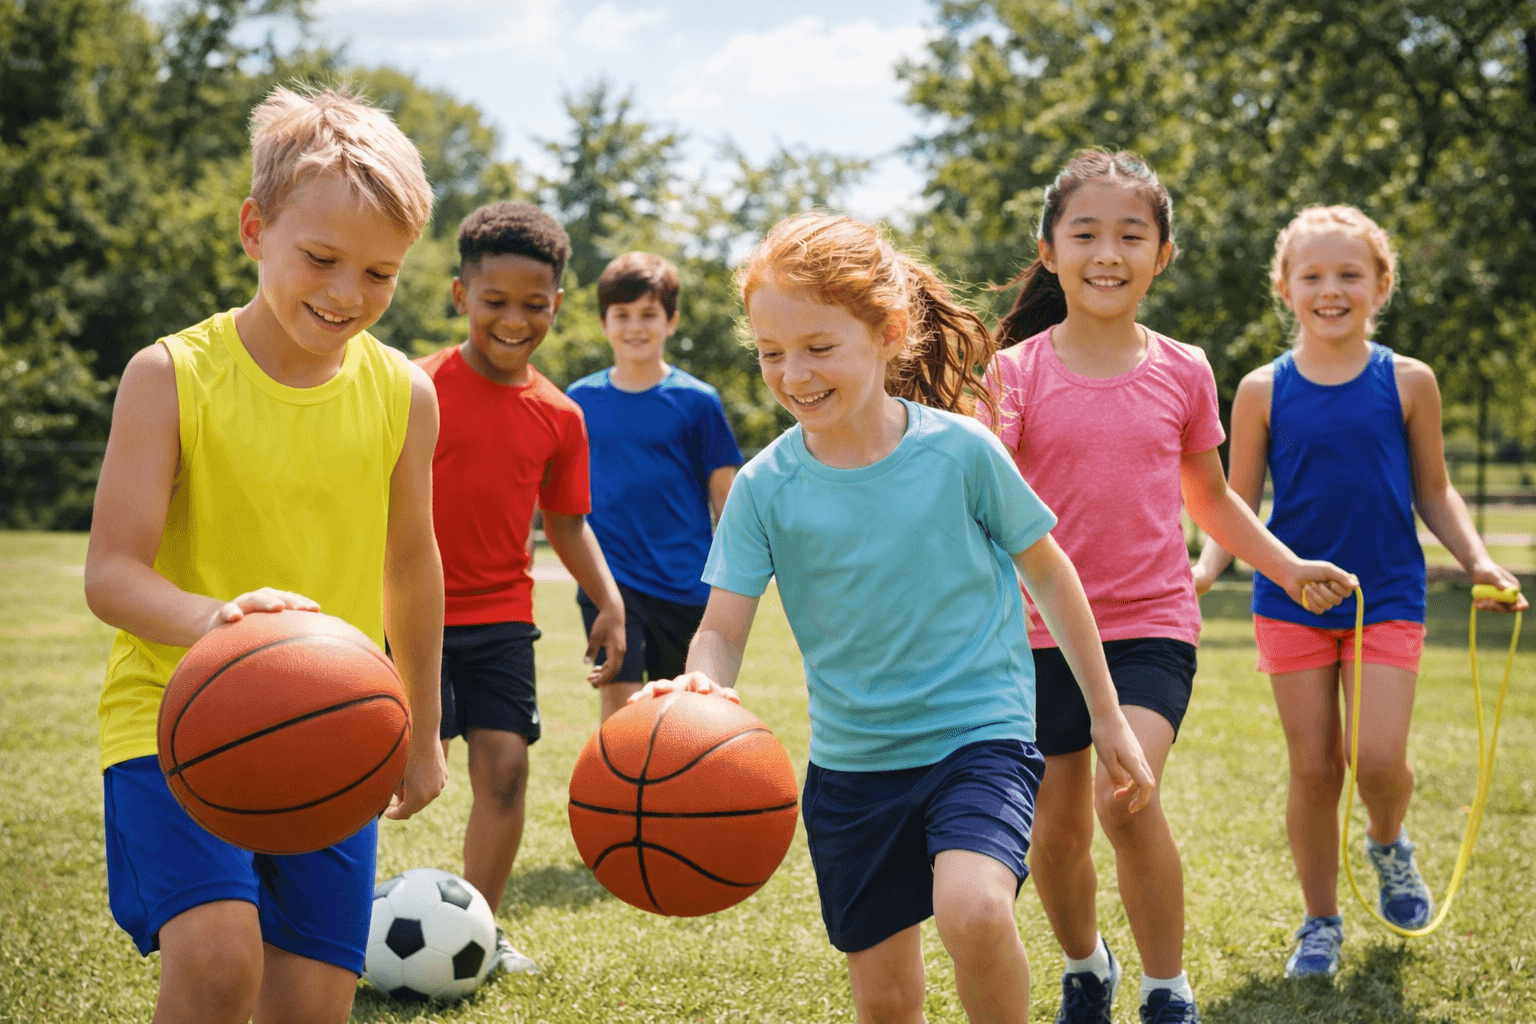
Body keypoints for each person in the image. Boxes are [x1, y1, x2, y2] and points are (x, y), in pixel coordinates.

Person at [632, 212, 1157, 1024]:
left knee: (974, 910)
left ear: (889, 332)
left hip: (978, 737)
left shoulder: (962, 454)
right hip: (852, 770)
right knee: (883, 1000)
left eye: (818, 347)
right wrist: (699, 687)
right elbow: (724, 628)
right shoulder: (766, 487)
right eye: (772, 353)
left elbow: (1052, 579)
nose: (793, 373)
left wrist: (1107, 715)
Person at [83, 86, 447, 1024]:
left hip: (338, 734)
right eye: (321, 259)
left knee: (313, 1004)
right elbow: (111, 573)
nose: (345, 294)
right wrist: (217, 622)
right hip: (178, 721)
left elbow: (411, 564)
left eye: (380, 274)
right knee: (215, 963)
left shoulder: (404, 392)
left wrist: (419, 719)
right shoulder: (170, 376)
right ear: (255, 229)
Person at [982, 151, 1356, 1024]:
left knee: (1128, 792)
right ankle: (1086, 964)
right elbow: (987, 499)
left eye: (1130, 234)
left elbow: (1212, 499)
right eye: (1085, 233)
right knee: (1055, 833)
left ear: (1163, 255)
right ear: (1048, 250)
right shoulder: (1015, 375)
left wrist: (1288, 566)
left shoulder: (1184, 369)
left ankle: (1166, 988)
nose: (1107, 251)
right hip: (1034, 635)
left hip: (1151, 625)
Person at [1192, 204, 1527, 978]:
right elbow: (1230, 503)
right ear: (1285, 286)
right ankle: (1319, 922)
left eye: (1349, 275)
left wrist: (1477, 560)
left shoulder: (1409, 382)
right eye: (1313, 275)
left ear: (1381, 285)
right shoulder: (1258, 391)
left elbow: (1436, 491)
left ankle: (1388, 841)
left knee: (1376, 759)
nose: (1330, 289)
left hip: (1390, 597)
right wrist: (1208, 568)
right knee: (1314, 770)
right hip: (1290, 603)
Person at [416, 200, 627, 974]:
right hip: (411, 615)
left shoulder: (560, 416)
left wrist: (608, 600)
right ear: (460, 295)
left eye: (533, 306)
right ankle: (328, 921)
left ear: (558, 306)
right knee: (381, 774)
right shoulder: (413, 389)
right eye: (494, 302)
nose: (514, 320)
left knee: (504, 772)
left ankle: (477, 931)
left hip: (503, 620)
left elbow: (568, 525)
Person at [566, 252, 743, 721]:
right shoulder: (579, 401)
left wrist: (733, 582)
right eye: (622, 315)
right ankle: (616, 798)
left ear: (671, 321)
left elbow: (726, 500)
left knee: (687, 713)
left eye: (649, 314)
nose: (635, 327)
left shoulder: (697, 402)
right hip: (611, 584)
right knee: (621, 708)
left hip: (686, 584)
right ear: (604, 322)